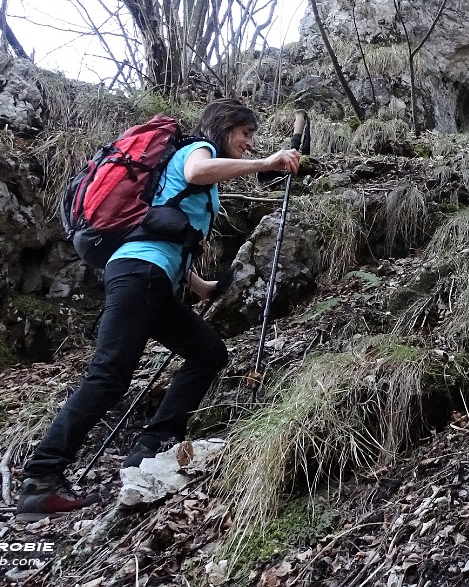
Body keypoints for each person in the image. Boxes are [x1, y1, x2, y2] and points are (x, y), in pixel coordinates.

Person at [17, 99, 301, 517]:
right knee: (108, 377)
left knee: (207, 352)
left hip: (151, 278)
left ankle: (152, 445)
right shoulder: (196, 151)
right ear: (225, 128)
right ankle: (41, 479)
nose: (249, 142)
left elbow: (168, 232)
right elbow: (196, 173)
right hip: (140, 276)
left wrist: (201, 286)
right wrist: (267, 162)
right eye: (246, 134)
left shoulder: (198, 170)